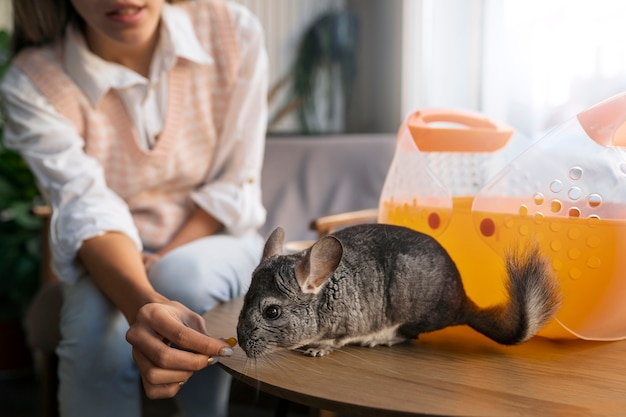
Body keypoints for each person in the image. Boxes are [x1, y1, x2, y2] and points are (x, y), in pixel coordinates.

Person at [0, 0, 268, 416]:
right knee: (91, 324)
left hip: (217, 239)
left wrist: (158, 261)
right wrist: (140, 295)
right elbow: (86, 206)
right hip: (109, 252)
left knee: (186, 275)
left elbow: (233, 185)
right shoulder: (34, 82)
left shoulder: (231, 32)